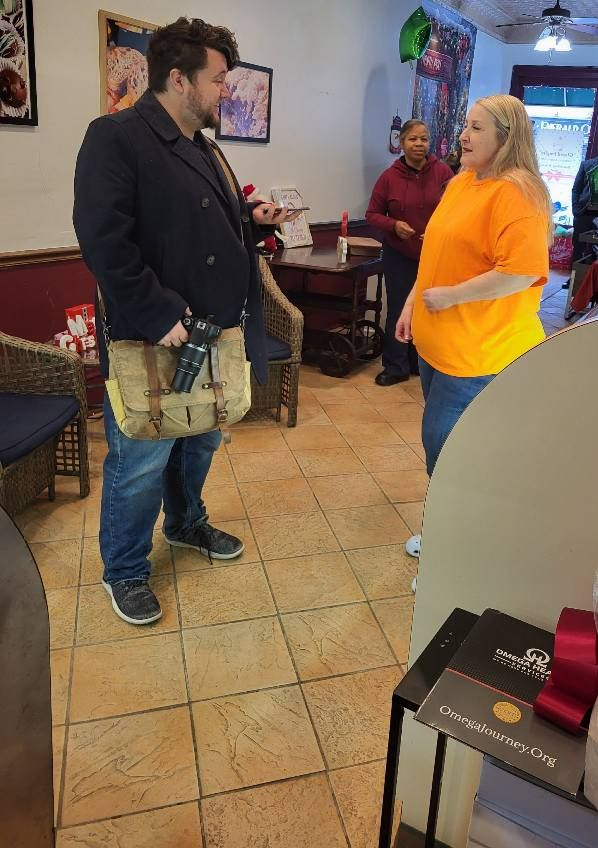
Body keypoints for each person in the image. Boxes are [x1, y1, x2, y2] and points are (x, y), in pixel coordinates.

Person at [73, 18, 300, 625]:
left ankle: (184, 524)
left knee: (200, 438)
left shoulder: (204, 144)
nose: (227, 90)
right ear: (178, 79)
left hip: (215, 331)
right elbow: (103, 242)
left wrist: (252, 219)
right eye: (219, 79)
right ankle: (123, 569)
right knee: (141, 457)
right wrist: (159, 310)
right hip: (156, 334)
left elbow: (201, 224)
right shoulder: (115, 137)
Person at [394, 94, 552, 570]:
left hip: (481, 354)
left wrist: (451, 296)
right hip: (438, 344)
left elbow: (521, 272)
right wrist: (411, 305)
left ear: (505, 138)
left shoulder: (517, 193)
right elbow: (434, 256)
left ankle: (455, 555)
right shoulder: (462, 182)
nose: (463, 135)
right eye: (466, 125)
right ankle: (451, 530)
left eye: (477, 128)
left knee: (452, 455)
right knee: (445, 452)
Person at [366, 120, 454, 386]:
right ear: (402, 143)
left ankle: (420, 362)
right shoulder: (388, 177)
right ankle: (395, 366)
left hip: (435, 254)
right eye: (413, 139)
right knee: (399, 308)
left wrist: (440, 232)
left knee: (429, 309)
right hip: (399, 253)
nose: (419, 144)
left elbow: (456, 210)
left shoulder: (443, 173)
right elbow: (372, 214)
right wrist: (394, 225)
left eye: (424, 139)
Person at [570, 134, 598, 267]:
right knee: (578, 247)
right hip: (583, 212)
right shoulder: (586, 165)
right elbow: (576, 189)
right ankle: (573, 278)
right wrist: (576, 210)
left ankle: (589, 279)